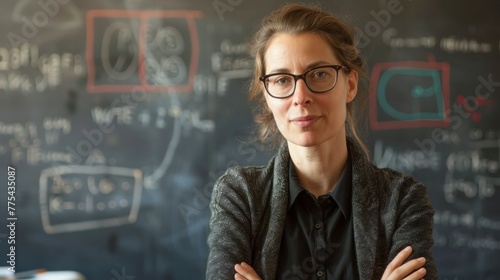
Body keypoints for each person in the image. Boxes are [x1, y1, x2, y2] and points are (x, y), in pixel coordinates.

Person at [206, 3, 437, 280]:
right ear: (266, 96)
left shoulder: (403, 200)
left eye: (319, 74)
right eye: (281, 80)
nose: (300, 96)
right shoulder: (240, 196)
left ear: (350, 85)